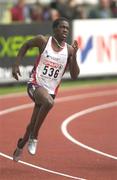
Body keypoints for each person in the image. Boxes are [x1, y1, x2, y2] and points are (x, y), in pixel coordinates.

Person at [12, 17, 80, 162]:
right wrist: (16, 65)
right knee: (48, 103)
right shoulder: (43, 41)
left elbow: (74, 76)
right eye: (62, 27)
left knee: (32, 122)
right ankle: (34, 136)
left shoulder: (68, 50)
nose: (65, 30)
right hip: (35, 85)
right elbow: (25, 45)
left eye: (67, 28)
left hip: (50, 90)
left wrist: (74, 56)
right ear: (55, 29)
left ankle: (21, 144)